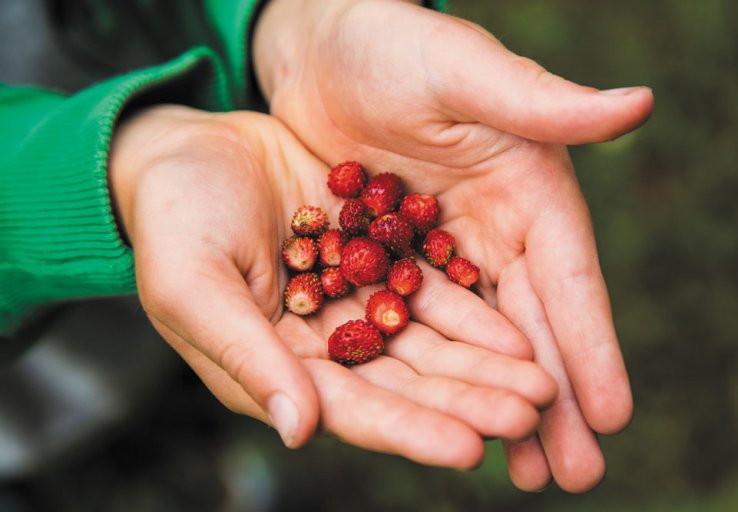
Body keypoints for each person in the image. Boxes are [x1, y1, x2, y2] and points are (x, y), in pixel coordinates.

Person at [0, 0, 653, 492]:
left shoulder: (343, 242)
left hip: (221, 259)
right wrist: (120, 169)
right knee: (85, 456)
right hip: (22, 386)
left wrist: (301, 16)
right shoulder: (336, 247)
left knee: (232, 364)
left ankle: (217, 464)